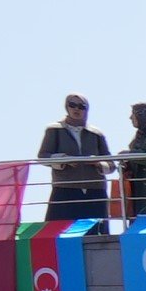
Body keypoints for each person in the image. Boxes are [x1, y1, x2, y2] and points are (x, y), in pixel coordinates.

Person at [37, 94, 112, 223]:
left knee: (97, 231)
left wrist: (98, 163)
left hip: (95, 189)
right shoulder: (54, 130)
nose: (76, 109)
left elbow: (110, 163)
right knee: (59, 229)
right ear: (67, 107)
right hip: (65, 188)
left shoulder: (96, 133)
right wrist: (63, 160)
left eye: (81, 106)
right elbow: (43, 157)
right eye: (72, 105)